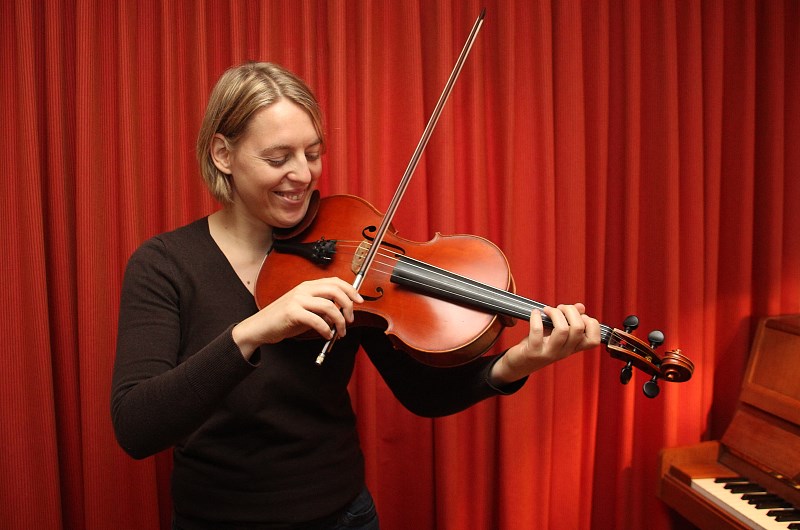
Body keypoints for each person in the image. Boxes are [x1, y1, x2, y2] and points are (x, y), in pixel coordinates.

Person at [111, 61, 601, 530]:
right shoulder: (164, 266)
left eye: (313, 152)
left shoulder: (348, 245)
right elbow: (137, 427)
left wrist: (515, 363)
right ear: (223, 154)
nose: (302, 175)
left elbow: (421, 394)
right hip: (215, 521)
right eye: (278, 158)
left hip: (341, 518)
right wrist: (253, 331)